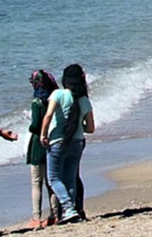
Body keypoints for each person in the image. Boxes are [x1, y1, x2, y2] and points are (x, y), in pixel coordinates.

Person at [40, 64, 93, 224]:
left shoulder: (58, 94)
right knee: (70, 178)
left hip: (57, 142)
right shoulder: (84, 100)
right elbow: (90, 128)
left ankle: (68, 209)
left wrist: (43, 134)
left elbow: (48, 116)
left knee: (53, 178)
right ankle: (73, 211)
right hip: (77, 142)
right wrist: (78, 126)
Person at [24, 70, 61, 227]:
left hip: (38, 143)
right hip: (52, 139)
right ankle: (55, 214)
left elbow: (35, 125)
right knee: (51, 181)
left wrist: (29, 124)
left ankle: (36, 218)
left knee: (36, 181)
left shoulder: (36, 103)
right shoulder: (53, 99)